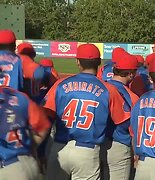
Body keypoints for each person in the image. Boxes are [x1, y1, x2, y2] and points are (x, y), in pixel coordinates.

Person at [43, 44, 130, 180]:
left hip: (60, 147)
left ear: (78, 62)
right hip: (87, 151)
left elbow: (46, 116)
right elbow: (123, 122)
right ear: (99, 62)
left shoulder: (60, 84)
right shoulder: (108, 89)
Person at [101, 53, 139, 180]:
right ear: (131, 74)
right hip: (119, 146)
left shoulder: (100, 87)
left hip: (96, 145)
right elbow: (133, 129)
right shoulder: (132, 97)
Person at [0, 86, 50, 180]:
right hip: (23, 163)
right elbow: (43, 128)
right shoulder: (20, 97)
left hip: (6, 166)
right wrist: (31, 148)